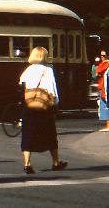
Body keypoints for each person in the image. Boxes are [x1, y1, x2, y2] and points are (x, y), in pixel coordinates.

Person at [18, 46, 67, 174]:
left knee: (27, 134)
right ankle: (55, 162)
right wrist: (55, 103)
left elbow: (21, 86)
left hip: (28, 107)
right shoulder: (48, 70)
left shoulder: (27, 70)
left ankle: (27, 164)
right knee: (50, 134)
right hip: (44, 107)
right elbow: (52, 89)